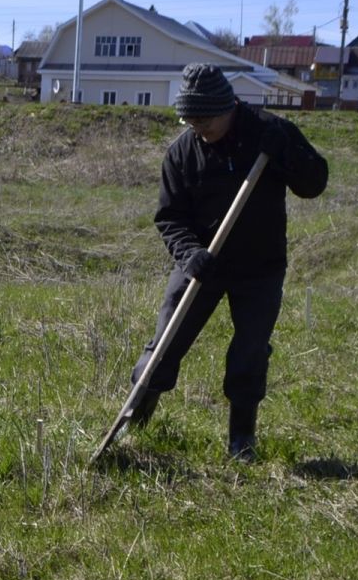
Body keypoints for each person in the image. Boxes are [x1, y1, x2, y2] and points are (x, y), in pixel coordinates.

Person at [129, 64, 328, 460]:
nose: (198, 128)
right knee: (165, 345)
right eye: (190, 120)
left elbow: (314, 183)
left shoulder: (270, 131)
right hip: (202, 266)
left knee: (250, 351)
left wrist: (286, 153)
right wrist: (189, 253)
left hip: (260, 267)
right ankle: (136, 419)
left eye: (204, 120)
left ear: (229, 108)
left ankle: (241, 440)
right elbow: (169, 218)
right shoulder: (182, 152)